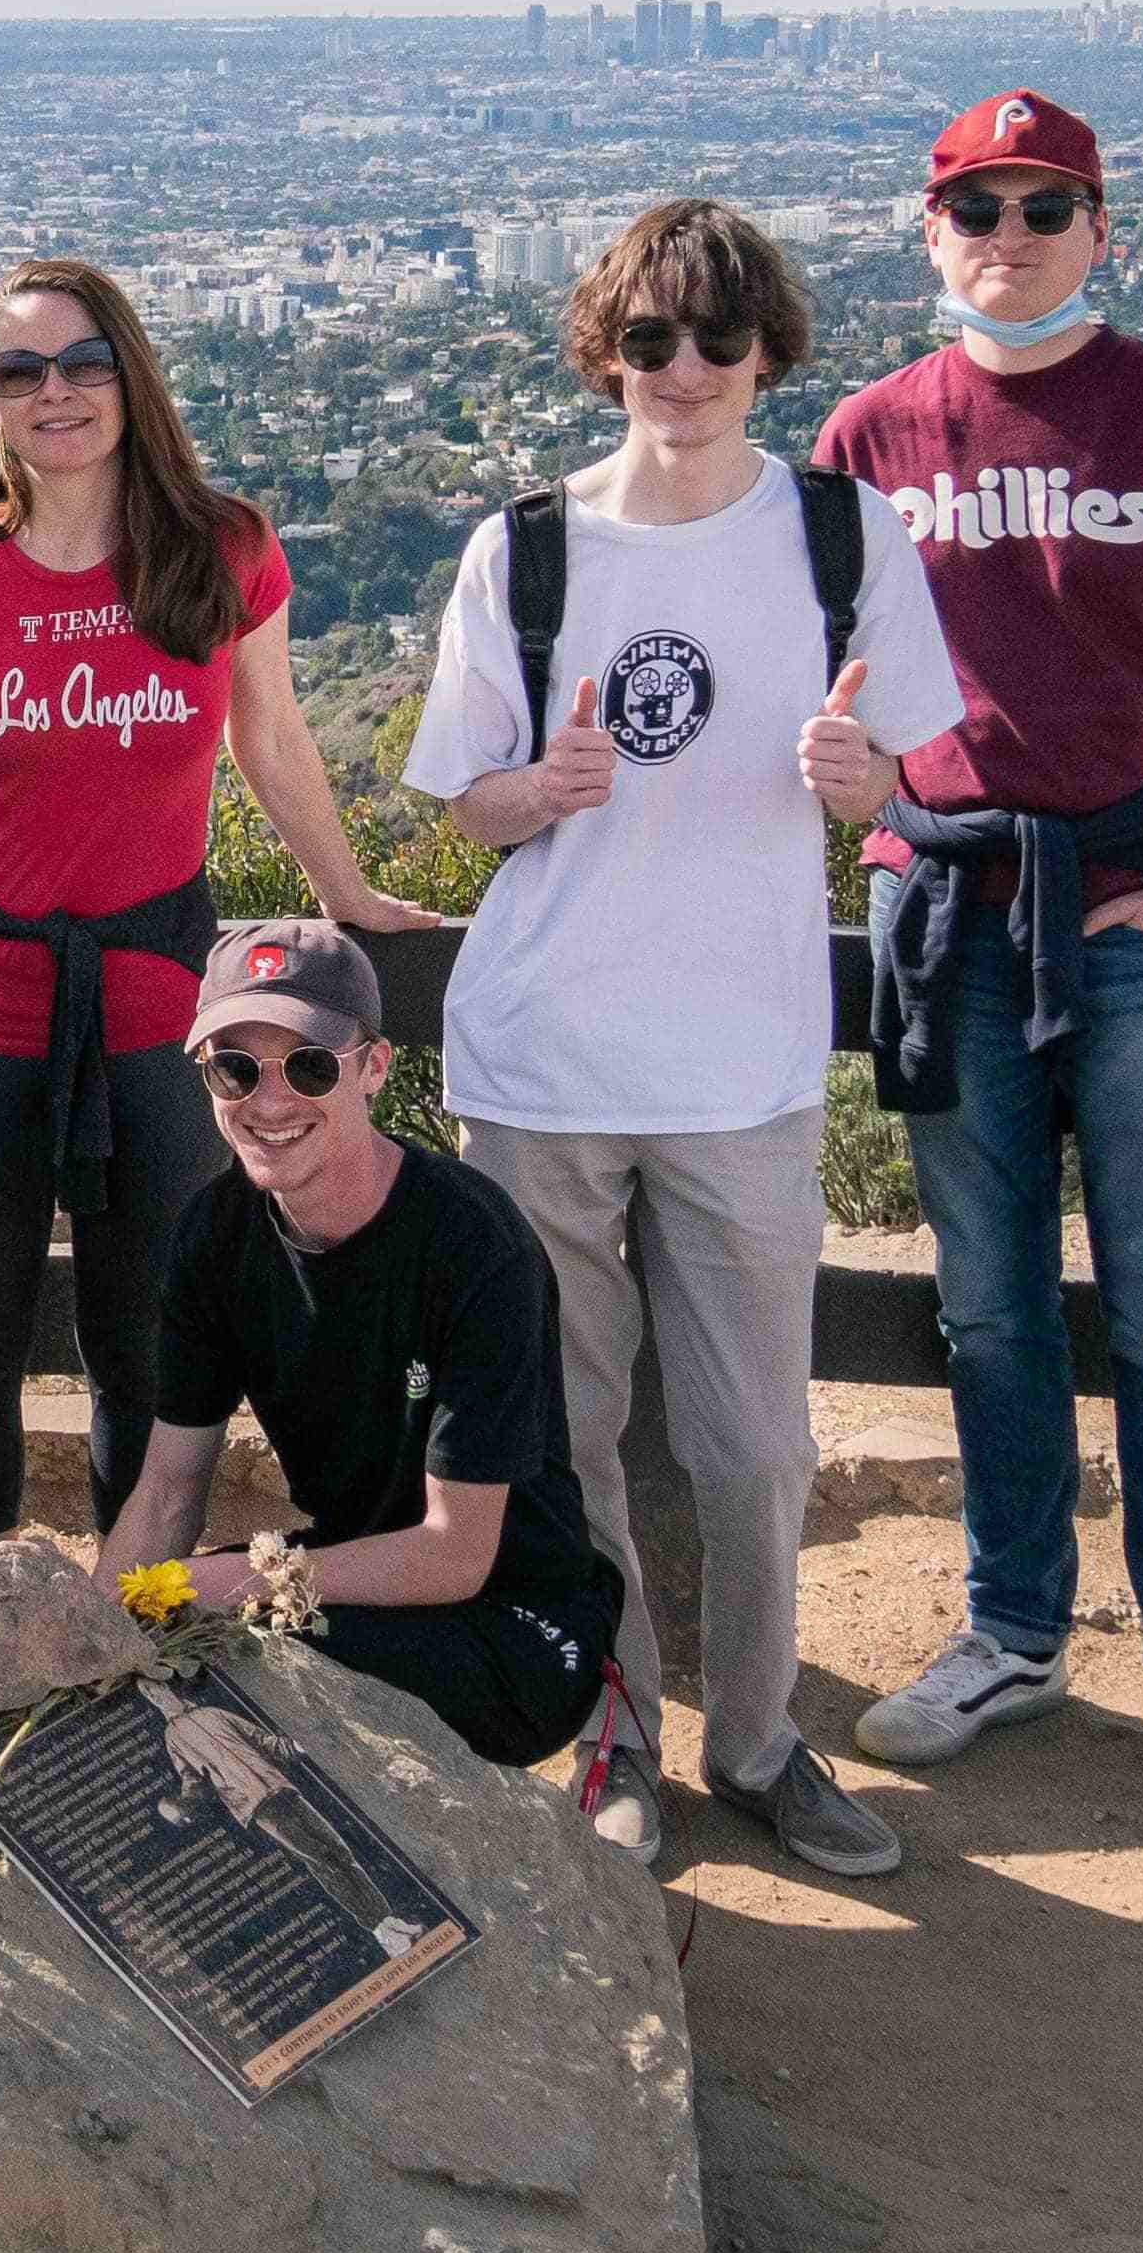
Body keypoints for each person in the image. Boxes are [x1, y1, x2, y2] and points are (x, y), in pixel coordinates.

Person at [407, 202, 964, 1876]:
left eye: (717, 339)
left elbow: (906, 773)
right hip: (541, 1059)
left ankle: (763, 1735)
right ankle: (613, 1737)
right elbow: (460, 805)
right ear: (605, 353)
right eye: (649, 340)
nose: (684, 370)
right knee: (564, 1443)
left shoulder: (842, 542)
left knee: (753, 1441)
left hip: (741, 1063)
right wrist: (539, 792)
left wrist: (861, 788)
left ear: (768, 353)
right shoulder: (528, 550)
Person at [816, 92, 1143, 1813]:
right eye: (975, 207)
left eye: (1045, 206)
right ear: (929, 234)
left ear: (1100, 229)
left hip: (1133, 918)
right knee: (986, 1308)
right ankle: (1012, 1634)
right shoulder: (869, 435)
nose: (1010, 234)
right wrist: (863, 798)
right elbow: (792, 660)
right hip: (947, 913)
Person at [0, 259, 434, 1548]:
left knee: (145, 1350)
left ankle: (131, 1621)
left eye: (83, 361)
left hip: (159, 999)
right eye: (18, 369)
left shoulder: (221, 551)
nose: (54, 392)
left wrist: (347, 894)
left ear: (130, 373)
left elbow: (270, 745)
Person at [95, 920, 625, 1771]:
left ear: (373, 1068)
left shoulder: (473, 1243)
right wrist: (94, 1640)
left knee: (236, 1669)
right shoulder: (215, 1233)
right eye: (234, 1069)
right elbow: (167, 1489)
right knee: (164, 1663)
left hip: (510, 1616)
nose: (268, 1104)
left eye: (308, 1066)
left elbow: (456, 1552)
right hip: (353, 1581)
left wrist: (243, 1585)